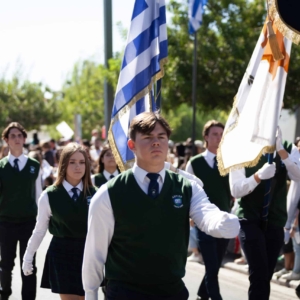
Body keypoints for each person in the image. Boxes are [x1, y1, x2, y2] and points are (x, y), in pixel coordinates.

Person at [82, 112, 240, 300]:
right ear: (131, 145)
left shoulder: (186, 187)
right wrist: (91, 294)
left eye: (161, 137)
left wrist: (220, 222)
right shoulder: (109, 193)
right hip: (125, 292)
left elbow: (205, 213)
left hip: (171, 291)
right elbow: (94, 253)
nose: (156, 142)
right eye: (148, 137)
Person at [229, 128, 300, 300]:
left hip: (275, 220)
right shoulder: (240, 147)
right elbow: (236, 189)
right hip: (249, 218)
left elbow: (298, 175)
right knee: (259, 274)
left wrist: (281, 151)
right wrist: (257, 176)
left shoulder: (289, 148)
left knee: (266, 275)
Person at [22, 143, 97, 300]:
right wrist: (28, 256)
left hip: (88, 252)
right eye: (72, 162)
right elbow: (40, 230)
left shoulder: (96, 194)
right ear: (63, 164)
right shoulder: (49, 195)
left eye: (82, 162)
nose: (78, 167)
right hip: (62, 253)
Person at [186, 120, 232, 300]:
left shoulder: (229, 163)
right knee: (211, 265)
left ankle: (202, 294)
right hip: (203, 219)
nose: (219, 138)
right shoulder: (195, 163)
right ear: (206, 137)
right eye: (215, 134)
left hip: (224, 219)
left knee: (215, 265)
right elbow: (187, 190)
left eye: (221, 135)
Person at [0, 122, 42, 300]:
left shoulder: (34, 165)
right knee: (6, 264)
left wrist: (41, 222)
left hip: (29, 223)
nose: (16, 139)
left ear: (24, 139)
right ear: (6, 140)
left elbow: (39, 195)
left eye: (19, 135)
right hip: (6, 222)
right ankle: (4, 295)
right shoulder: (1, 166)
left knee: (29, 264)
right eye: (12, 136)